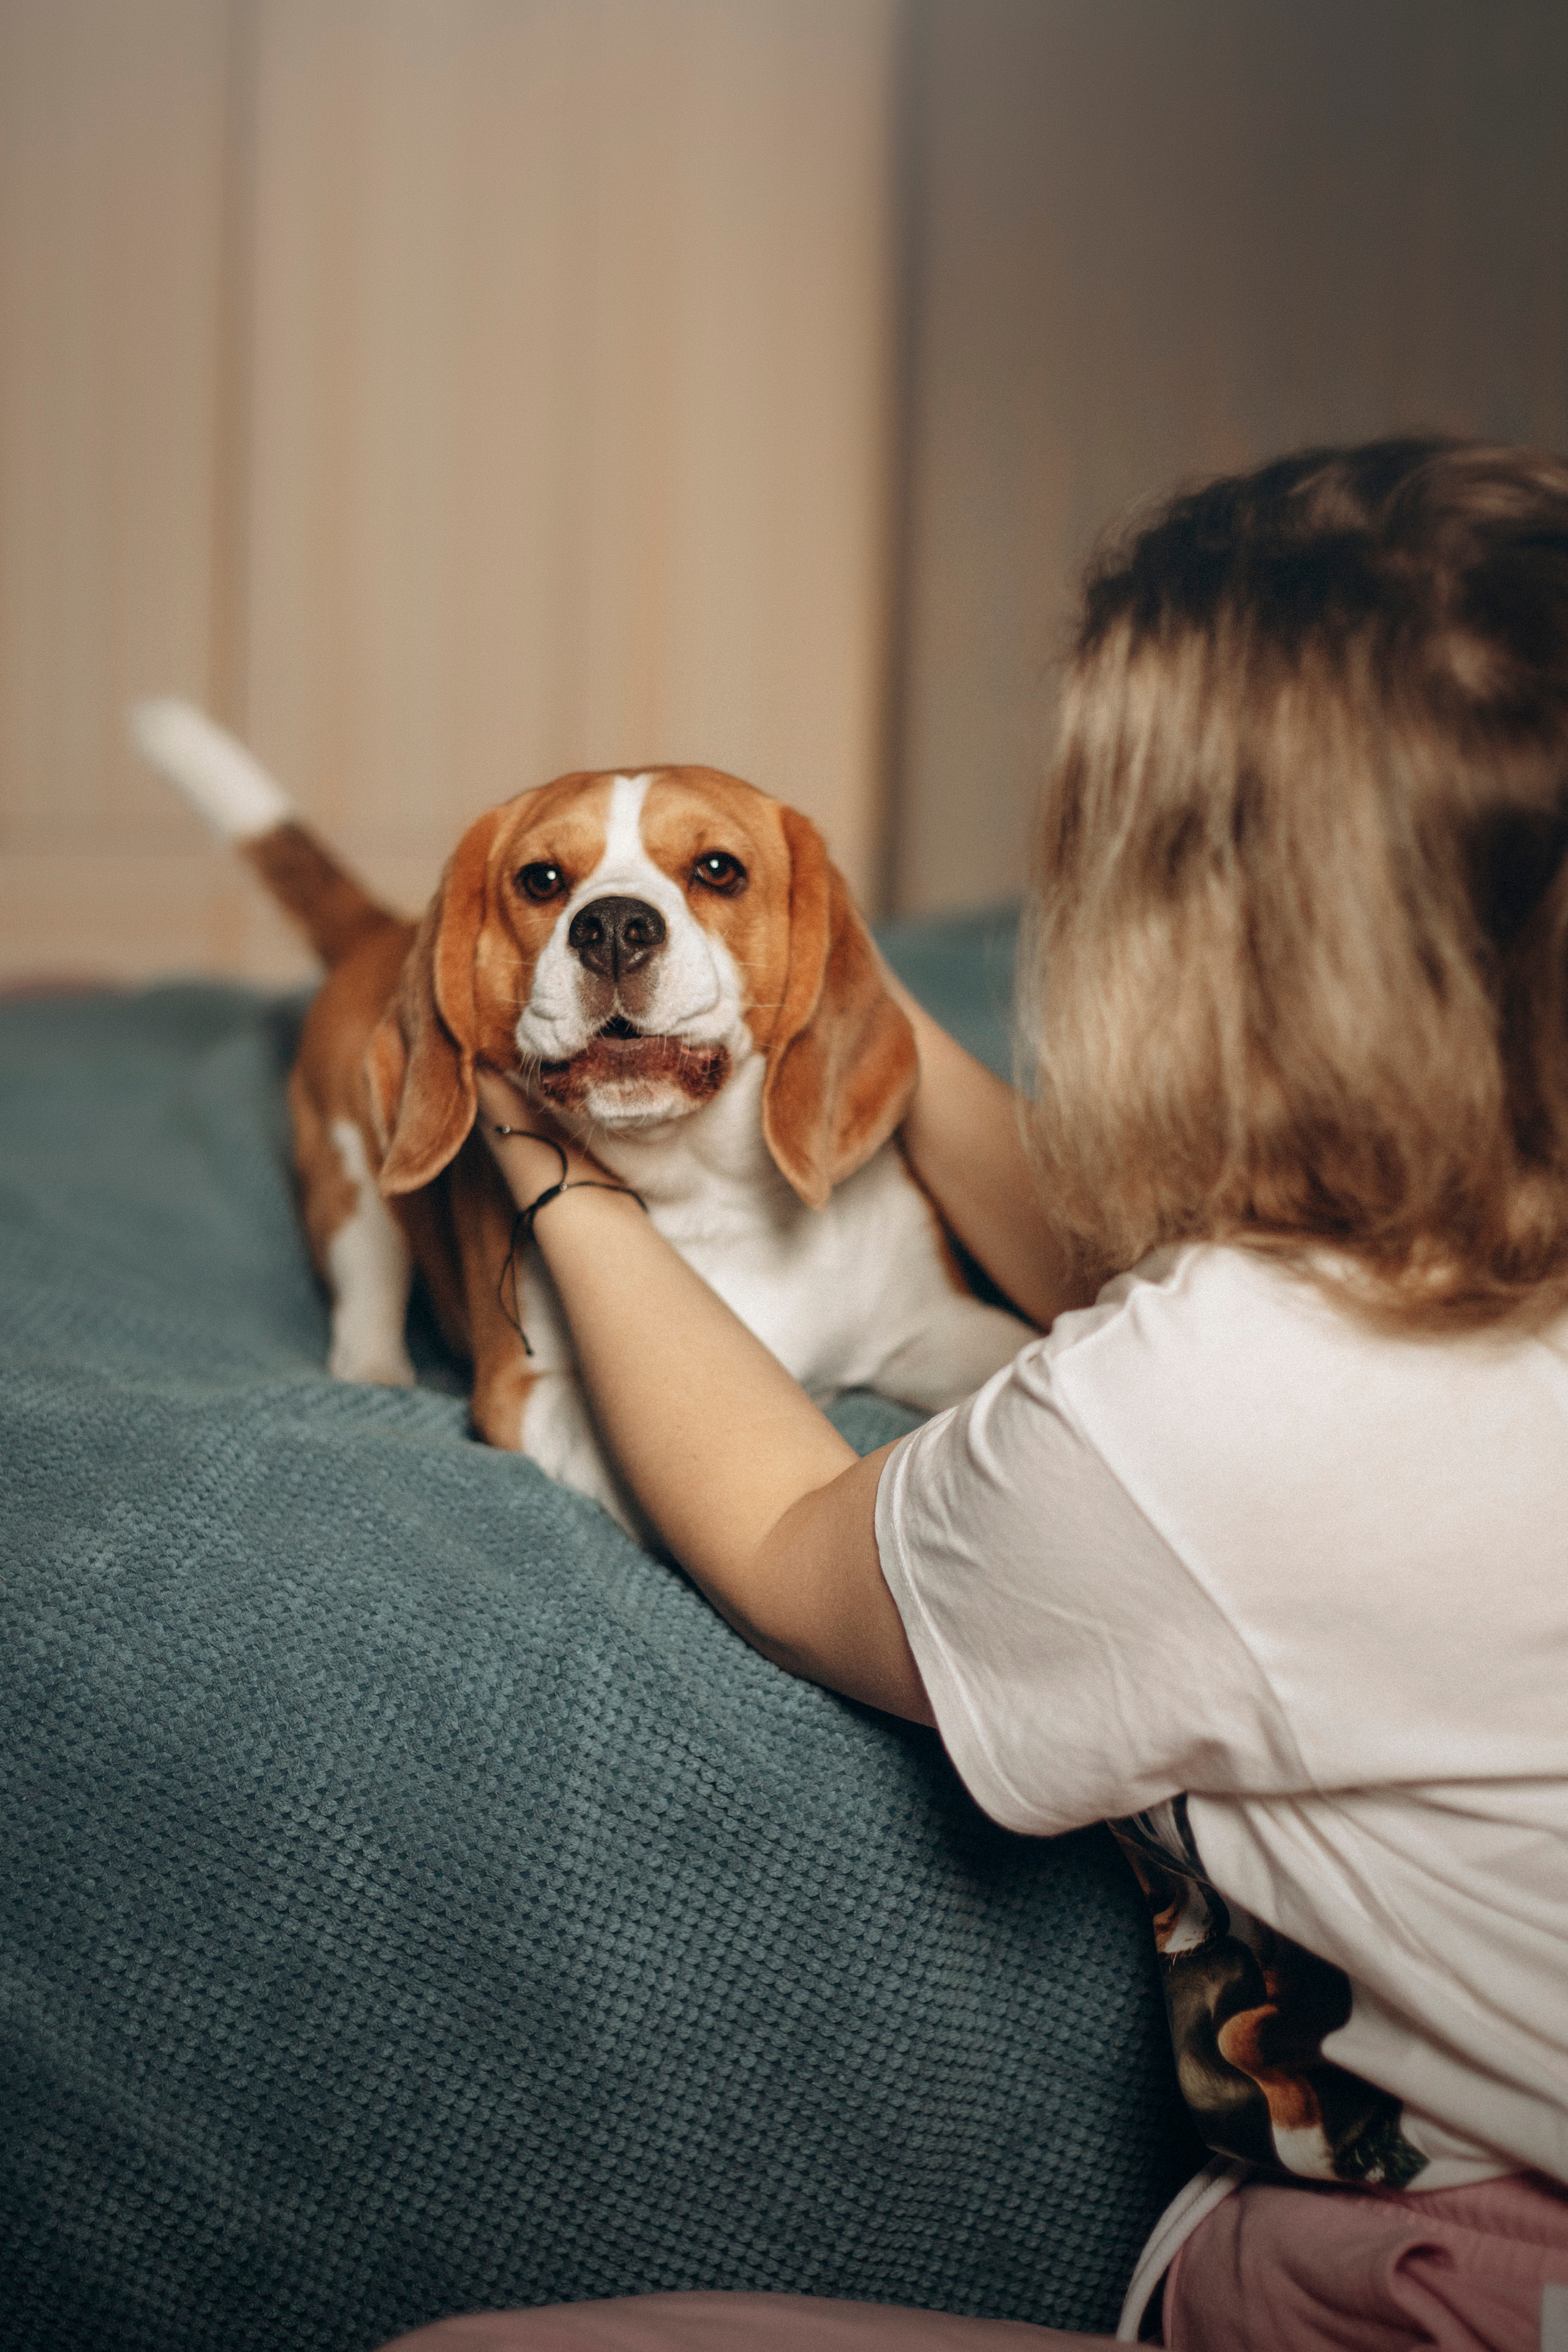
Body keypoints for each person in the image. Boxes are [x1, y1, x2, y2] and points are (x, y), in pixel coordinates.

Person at [388, 439, 1568, 2352]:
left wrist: (544, 1167)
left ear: (1185, 945)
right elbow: (1146, 1263)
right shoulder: (1366, 1310)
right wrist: (810, 970)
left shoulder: (1201, 1426)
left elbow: (785, 1529)